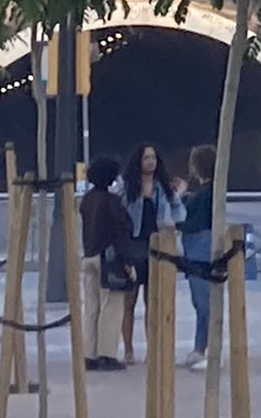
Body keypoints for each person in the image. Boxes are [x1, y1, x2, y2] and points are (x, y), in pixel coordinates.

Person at [113, 141, 183, 363]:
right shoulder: (126, 187)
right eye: (146, 158)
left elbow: (179, 211)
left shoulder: (163, 187)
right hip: (133, 246)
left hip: (157, 246)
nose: (151, 162)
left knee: (153, 302)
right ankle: (128, 349)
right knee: (129, 302)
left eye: (153, 157)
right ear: (138, 161)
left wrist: (172, 222)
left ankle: (152, 347)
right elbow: (117, 210)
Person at [78, 156, 135, 372]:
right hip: (108, 258)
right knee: (111, 306)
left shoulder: (87, 200)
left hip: (89, 255)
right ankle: (107, 353)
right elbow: (121, 231)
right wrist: (127, 262)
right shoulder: (111, 202)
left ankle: (88, 353)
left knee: (91, 307)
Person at [177, 146, 218, 372]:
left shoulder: (204, 193)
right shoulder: (207, 191)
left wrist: (176, 224)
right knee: (203, 302)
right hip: (198, 249)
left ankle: (202, 349)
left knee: (202, 303)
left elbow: (195, 221)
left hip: (198, 251)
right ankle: (203, 347)